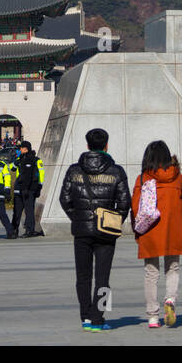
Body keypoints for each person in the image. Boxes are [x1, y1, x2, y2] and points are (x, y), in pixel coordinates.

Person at [59, 128, 131, 332]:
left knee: (82, 276)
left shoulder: (74, 170)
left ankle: (86, 317)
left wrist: (79, 218)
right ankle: (99, 318)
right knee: (103, 277)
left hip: (81, 230)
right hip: (106, 232)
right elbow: (125, 202)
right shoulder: (116, 171)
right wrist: (114, 220)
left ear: (87, 145)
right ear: (106, 145)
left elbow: (64, 199)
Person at [131, 140, 182, 328]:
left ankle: (153, 316)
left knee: (151, 273)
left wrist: (136, 230)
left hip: (151, 230)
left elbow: (135, 207)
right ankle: (170, 299)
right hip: (173, 229)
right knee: (173, 268)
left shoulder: (143, 178)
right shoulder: (177, 177)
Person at [10, 140, 45, 237]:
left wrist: (39, 186)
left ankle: (30, 230)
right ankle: (14, 230)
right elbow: (12, 168)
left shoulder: (36, 160)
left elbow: (41, 174)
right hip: (19, 188)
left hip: (30, 189)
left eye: (21, 148)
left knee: (29, 210)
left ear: (25, 149)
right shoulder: (20, 159)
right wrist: (16, 161)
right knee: (17, 210)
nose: (19, 149)